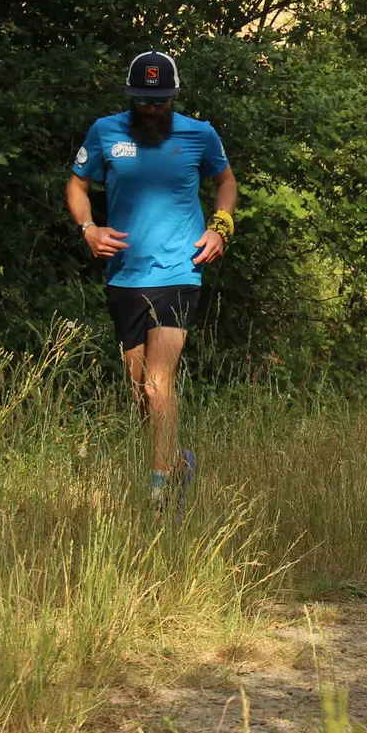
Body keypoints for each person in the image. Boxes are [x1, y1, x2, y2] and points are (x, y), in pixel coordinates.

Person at [65, 50, 236, 512]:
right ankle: (177, 461)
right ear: (131, 96)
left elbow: (226, 182)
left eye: (160, 101)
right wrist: (89, 230)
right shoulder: (105, 132)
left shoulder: (200, 135)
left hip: (180, 270)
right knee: (139, 388)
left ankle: (161, 494)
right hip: (124, 275)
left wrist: (220, 227)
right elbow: (77, 185)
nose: (151, 109)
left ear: (173, 97)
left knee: (159, 382)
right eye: (143, 100)